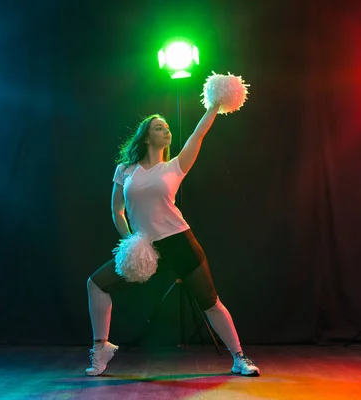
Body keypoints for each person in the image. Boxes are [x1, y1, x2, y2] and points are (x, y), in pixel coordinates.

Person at [85, 104, 260, 377]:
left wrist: (214, 105)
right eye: (158, 127)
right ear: (146, 137)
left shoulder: (174, 166)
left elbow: (198, 135)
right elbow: (116, 211)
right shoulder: (125, 170)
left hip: (179, 242)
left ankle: (239, 357)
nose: (166, 130)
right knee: (96, 284)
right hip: (145, 250)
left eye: (167, 128)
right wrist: (132, 243)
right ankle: (101, 348)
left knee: (211, 302)